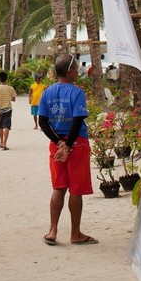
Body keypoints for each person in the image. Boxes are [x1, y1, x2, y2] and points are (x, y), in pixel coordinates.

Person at [37, 53, 97, 246]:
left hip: (56, 145)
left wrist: (58, 143)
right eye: (77, 68)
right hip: (76, 144)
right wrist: (69, 145)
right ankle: (75, 233)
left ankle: (52, 231)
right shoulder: (76, 92)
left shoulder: (47, 91)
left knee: (59, 187)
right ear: (71, 71)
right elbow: (78, 119)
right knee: (75, 190)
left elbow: (43, 122)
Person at [0, 70, 17, 150]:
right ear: (6, 79)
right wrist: (10, 98)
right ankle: (5, 143)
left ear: (0, 79)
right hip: (8, 110)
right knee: (7, 126)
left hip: (0, 110)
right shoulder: (10, 88)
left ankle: (1, 142)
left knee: (0, 126)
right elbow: (14, 99)